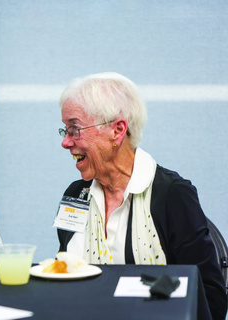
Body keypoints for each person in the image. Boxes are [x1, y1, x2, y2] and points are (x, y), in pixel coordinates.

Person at [55, 72, 227, 320]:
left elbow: (211, 301)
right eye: (65, 130)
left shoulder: (172, 195)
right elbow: (62, 276)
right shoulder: (76, 196)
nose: (66, 142)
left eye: (75, 129)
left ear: (117, 130)